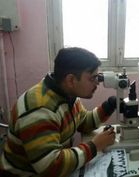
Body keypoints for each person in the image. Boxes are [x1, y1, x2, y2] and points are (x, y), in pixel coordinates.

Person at [0, 47, 117, 177]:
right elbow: (51, 166)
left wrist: (109, 105)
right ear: (71, 80)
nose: (97, 83)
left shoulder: (68, 95)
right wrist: (95, 146)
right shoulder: (40, 110)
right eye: (92, 78)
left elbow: (84, 122)